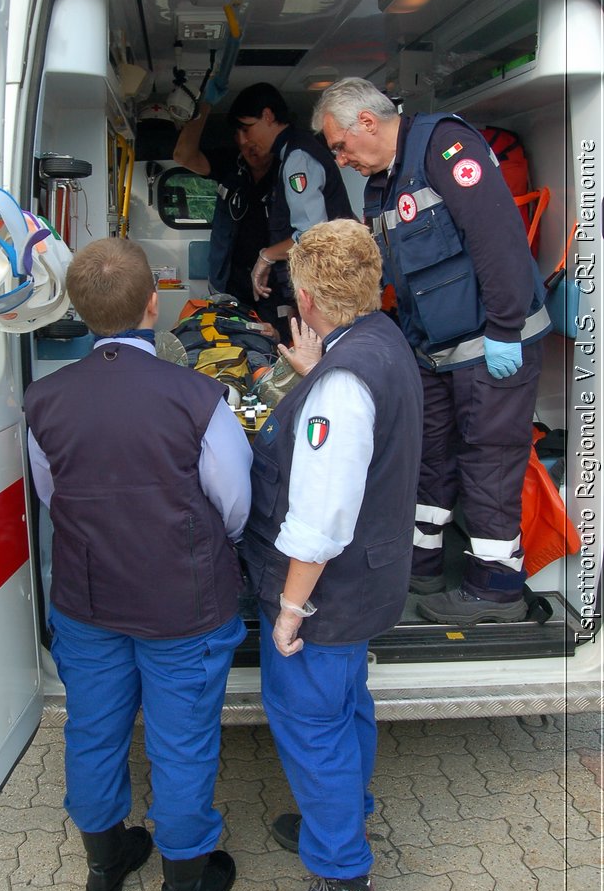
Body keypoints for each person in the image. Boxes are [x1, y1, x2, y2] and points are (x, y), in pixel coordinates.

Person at [23, 236, 253, 891]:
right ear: (156, 305)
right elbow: (234, 501)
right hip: (182, 602)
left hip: (89, 599)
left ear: (78, 310)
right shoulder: (199, 396)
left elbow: (51, 490)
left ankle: (105, 862)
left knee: (94, 728)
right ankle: (183, 885)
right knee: (181, 741)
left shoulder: (44, 399)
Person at [240, 219, 423, 891]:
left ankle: (345, 883)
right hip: (370, 579)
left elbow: (319, 517)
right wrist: (318, 370)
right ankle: (340, 808)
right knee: (347, 708)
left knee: (311, 723)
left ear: (307, 298)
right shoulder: (380, 343)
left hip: (326, 592)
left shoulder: (342, 385)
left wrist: (289, 609)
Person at [311, 77, 551, 625]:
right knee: (427, 458)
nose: (342, 161)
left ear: (367, 123)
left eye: (341, 146)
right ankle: (420, 565)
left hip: (492, 343)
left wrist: (507, 329)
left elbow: (498, 240)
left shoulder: (445, 148)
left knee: (488, 459)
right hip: (435, 351)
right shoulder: (384, 182)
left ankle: (496, 589)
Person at [223, 83, 355, 308]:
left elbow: (313, 235)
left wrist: (266, 256)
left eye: (247, 129)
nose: (243, 141)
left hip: (332, 285)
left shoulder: (298, 158)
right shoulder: (292, 153)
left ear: (267, 116)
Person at [173, 94, 285, 330]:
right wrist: (204, 104)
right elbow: (182, 156)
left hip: (274, 286)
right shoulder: (231, 165)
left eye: (248, 131)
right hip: (229, 285)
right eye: (238, 134)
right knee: (229, 345)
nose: (245, 142)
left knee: (275, 345)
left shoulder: (288, 169)